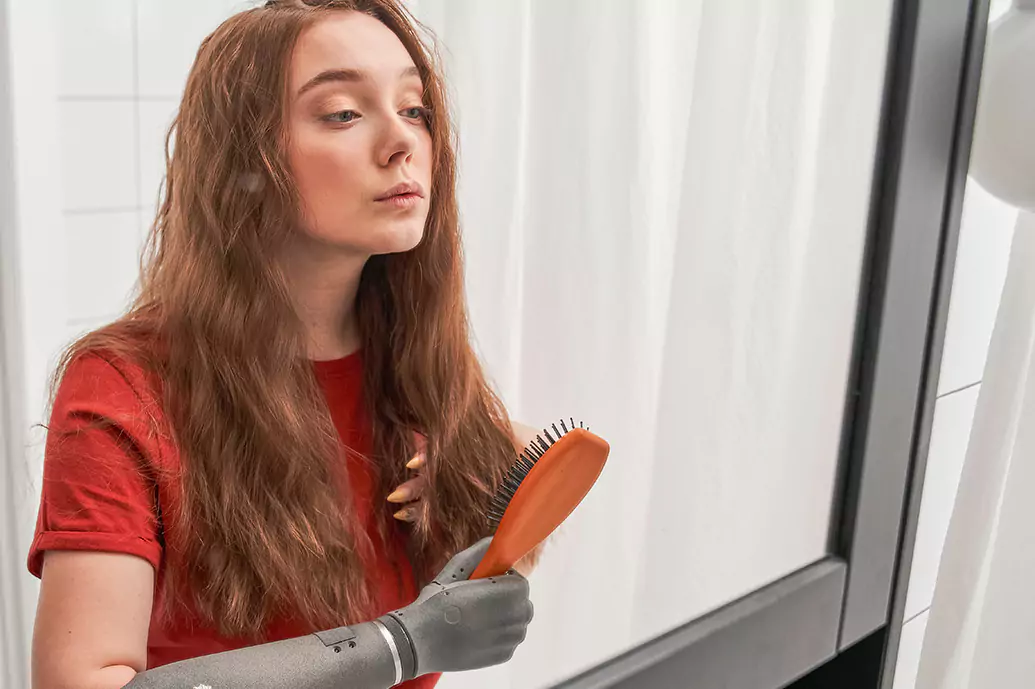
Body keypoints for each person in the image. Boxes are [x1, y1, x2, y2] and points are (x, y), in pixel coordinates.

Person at [27, 1, 540, 687]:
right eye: (343, 113)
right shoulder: (125, 388)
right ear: (249, 157)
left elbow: (503, 480)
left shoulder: (415, 366)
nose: (402, 142)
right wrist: (395, 643)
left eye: (414, 109)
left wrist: (483, 486)